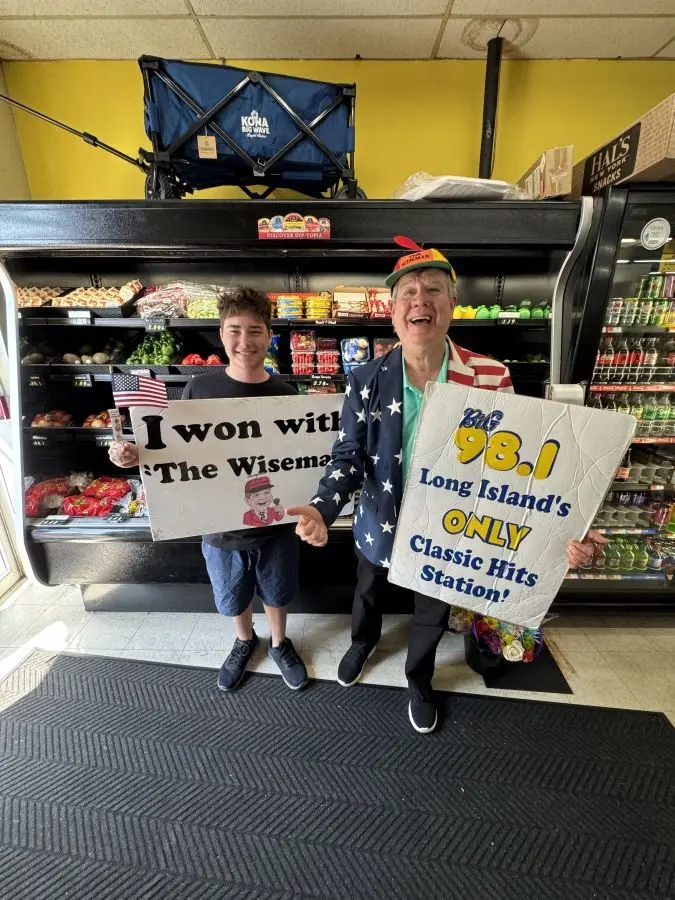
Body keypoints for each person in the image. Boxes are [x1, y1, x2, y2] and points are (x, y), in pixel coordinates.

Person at [289, 245, 600, 734]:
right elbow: (348, 455)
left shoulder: (490, 375)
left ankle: (419, 679)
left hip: (450, 529)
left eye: (433, 289)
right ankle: (362, 643)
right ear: (392, 311)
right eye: (408, 293)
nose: (421, 300)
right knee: (366, 591)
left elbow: (515, 471)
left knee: (431, 611)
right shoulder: (365, 379)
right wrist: (321, 508)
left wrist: (569, 525)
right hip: (379, 518)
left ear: (452, 303)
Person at [110, 286, 308, 692]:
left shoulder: (286, 394)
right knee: (232, 593)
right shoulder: (199, 390)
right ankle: (243, 641)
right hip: (219, 527)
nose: (244, 341)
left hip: (276, 525)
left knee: (277, 589)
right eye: (234, 330)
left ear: (269, 335)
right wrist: (134, 456)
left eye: (254, 330)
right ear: (221, 334)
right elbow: (176, 448)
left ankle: (279, 642)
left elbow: (299, 457)